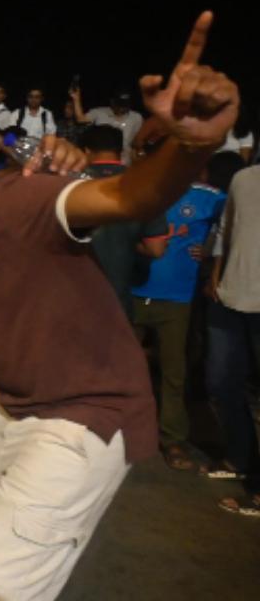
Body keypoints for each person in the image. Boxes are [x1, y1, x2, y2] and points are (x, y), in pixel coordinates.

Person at [0, 11, 237, 599]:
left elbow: (129, 195)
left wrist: (193, 144)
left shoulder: (27, 199)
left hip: (86, 413)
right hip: (12, 405)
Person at [130, 151, 231, 471]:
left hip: (176, 299)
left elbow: (236, 225)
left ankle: (172, 439)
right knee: (119, 366)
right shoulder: (143, 190)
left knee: (173, 372)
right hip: (133, 292)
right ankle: (117, 428)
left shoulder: (210, 198)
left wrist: (213, 251)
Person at [206, 161, 260, 515]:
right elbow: (227, 229)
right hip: (230, 295)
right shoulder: (244, 178)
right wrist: (215, 274)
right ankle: (241, 458)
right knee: (220, 382)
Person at [77, 125, 169, 318]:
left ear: (86, 151)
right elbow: (156, 249)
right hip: (119, 301)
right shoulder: (144, 184)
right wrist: (126, 240)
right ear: (121, 151)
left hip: (73, 299)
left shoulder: (69, 182)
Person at [84, 89, 144, 163]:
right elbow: (81, 120)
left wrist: (138, 152)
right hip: (102, 158)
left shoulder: (136, 117)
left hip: (124, 160)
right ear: (112, 102)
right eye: (119, 104)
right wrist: (76, 99)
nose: (121, 108)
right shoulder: (99, 113)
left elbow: (137, 140)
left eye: (125, 105)